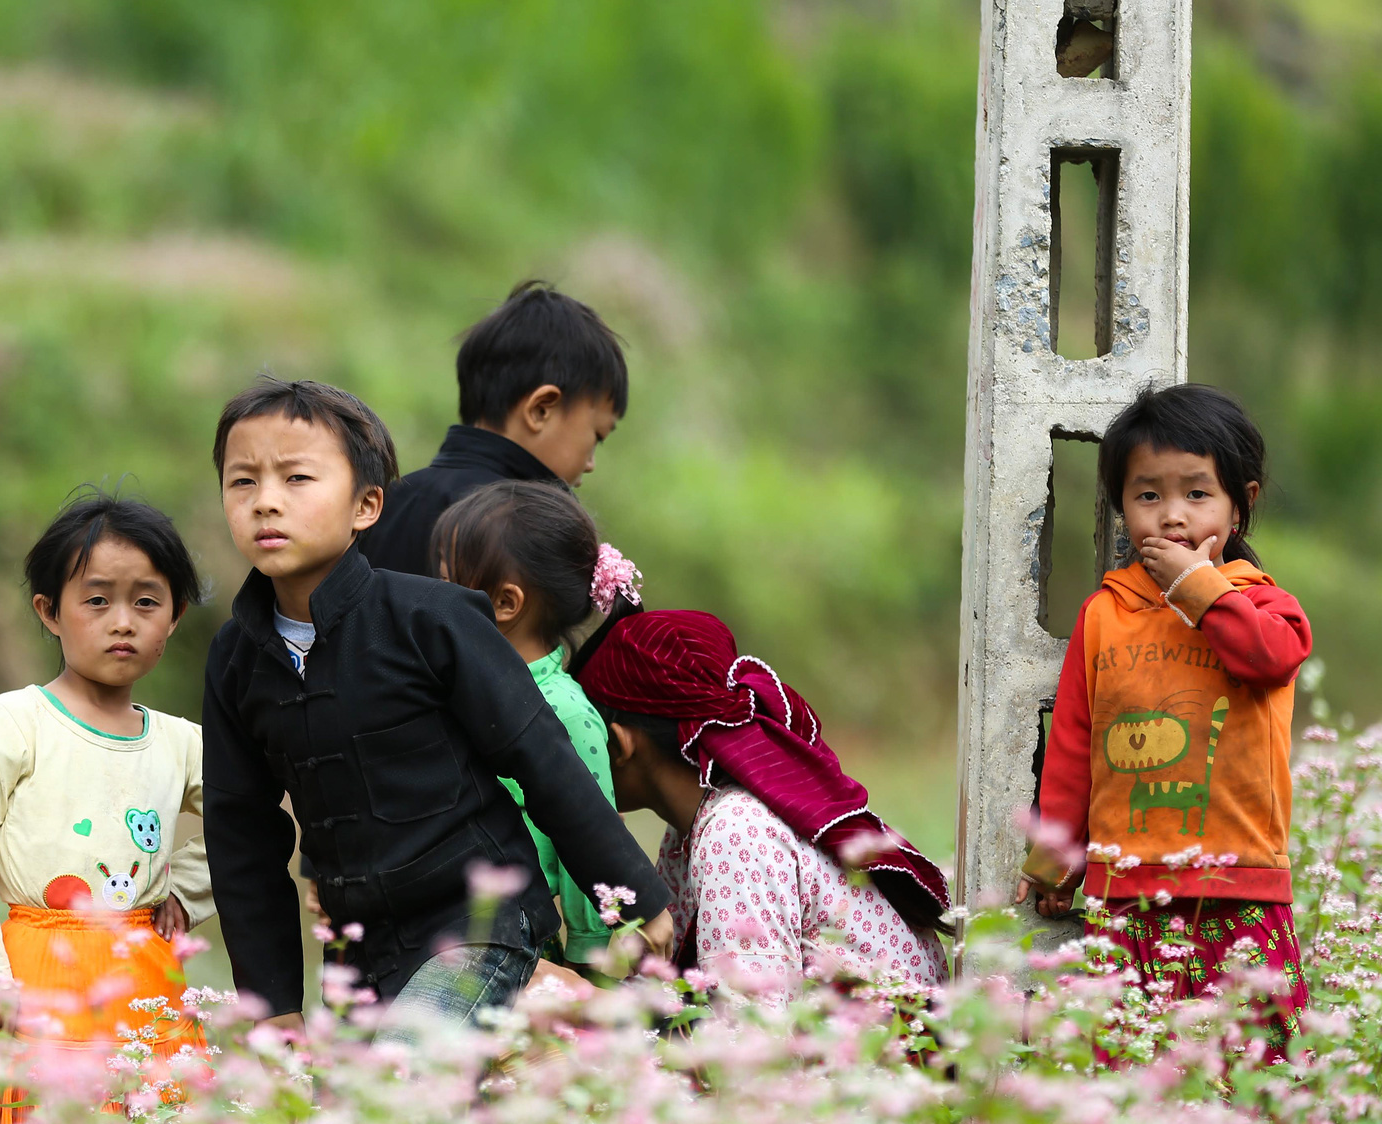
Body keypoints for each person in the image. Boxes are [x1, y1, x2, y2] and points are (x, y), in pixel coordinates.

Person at [201, 377, 671, 1037]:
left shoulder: (432, 618)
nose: (265, 501)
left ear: (367, 506)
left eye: (297, 478)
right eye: (242, 481)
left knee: (402, 1087)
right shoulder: (235, 658)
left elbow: (540, 754)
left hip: (481, 923)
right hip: (361, 950)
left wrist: (637, 899)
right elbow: (241, 837)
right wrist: (274, 1007)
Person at [1017, 384, 1311, 1045]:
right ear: (1121, 507)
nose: (1171, 516)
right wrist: (1055, 860)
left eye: (1197, 494)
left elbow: (1269, 659)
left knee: (1252, 1068)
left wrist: (1199, 587)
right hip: (1128, 893)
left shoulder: (1266, 606)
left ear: (1243, 504)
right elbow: (1072, 744)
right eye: (1148, 495)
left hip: (1241, 886)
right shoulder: (1105, 614)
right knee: (1133, 1066)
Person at [0, 488, 213, 1124]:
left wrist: (188, 892)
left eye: (147, 601)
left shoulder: (181, 744)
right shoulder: (11, 725)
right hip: (38, 969)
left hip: (146, 974)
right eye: (96, 600)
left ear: (175, 615)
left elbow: (250, 819)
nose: (123, 621)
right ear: (50, 611)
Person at [572, 595, 951, 1002]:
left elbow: (749, 1037)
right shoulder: (694, 827)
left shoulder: (735, 832)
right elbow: (665, 990)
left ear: (619, 743)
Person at [427, 480, 624, 968]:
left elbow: (589, 841)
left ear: (505, 604)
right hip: (428, 931)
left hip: (513, 952)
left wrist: (588, 964)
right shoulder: (448, 687)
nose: (429, 595)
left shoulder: (566, 711)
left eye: (446, 582)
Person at [359, 280, 627, 578]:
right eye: (597, 437)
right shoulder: (520, 530)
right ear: (541, 409)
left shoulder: (383, 502)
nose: (590, 465)